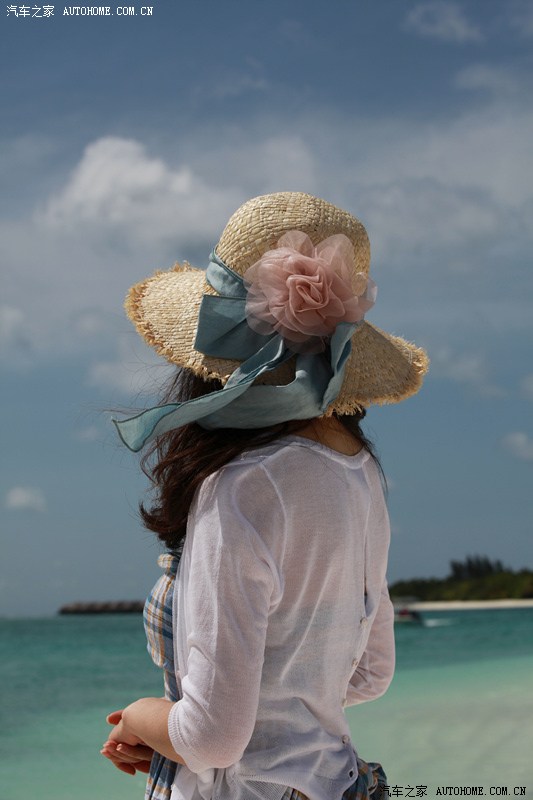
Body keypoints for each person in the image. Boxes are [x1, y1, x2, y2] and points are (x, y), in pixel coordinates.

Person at [100, 192, 428, 800]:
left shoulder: (243, 486)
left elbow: (213, 740)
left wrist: (144, 717)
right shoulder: (360, 474)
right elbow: (370, 673)